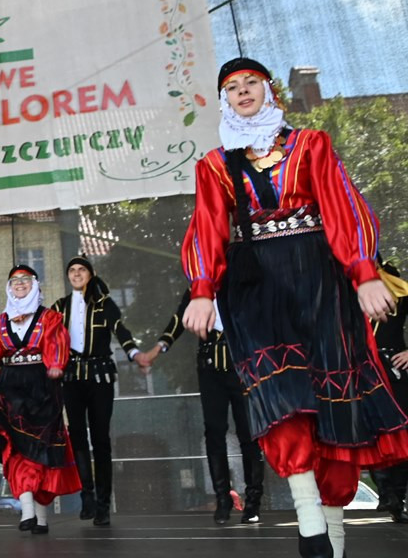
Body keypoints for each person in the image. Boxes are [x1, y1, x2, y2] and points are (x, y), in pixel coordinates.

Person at [181, 57, 408, 558]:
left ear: (269, 91)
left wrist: (364, 274)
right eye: (232, 88)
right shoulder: (216, 164)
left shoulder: (311, 145)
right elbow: (208, 228)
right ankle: (307, 515)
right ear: (224, 100)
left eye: (250, 85)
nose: (242, 92)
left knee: (334, 402)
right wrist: (202, 288)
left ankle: (334, 525)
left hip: (318, 279)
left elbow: (343, 207)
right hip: (254, 285)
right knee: (280, 392)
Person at [0, 265, 81, 535]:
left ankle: (40, 518)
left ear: (35, 285)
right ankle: (28, 511)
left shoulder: (50, 318)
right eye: (15, 281)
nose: (19, 284)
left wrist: (55, 365)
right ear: (8, 287)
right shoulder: (0, 322)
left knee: (41, 451)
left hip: (42, 386)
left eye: (25, 280)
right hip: (9, 386)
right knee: (16, 448)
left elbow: (57, 343)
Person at [138, 288, 265, 525]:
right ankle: (223, 499)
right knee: (214, 432)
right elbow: (179, 318)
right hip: (210, 367)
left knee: (249, 433)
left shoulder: (239, 277)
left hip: (242, 366)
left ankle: (253, 501)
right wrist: (158, 349)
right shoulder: (197, 287)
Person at [50, 256, 137, 526]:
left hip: (99, 376)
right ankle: (86, 494)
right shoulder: (59, 306)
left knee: (100, 439)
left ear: (91, 274)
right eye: (72, 271)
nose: (76, 274)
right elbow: (45, 336)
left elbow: (120, 329)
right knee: (76, 435)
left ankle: (103, 504)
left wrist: (133, 352)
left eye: (81, 270)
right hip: (72, 376)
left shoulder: (104, 303)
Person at [369, 260, 408, 524]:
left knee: (402, 431)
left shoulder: (400, 290)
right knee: (373, 432)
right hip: (365, 372)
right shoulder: (348, 295)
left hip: (394, 369)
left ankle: (398, 496)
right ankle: (386, 493)